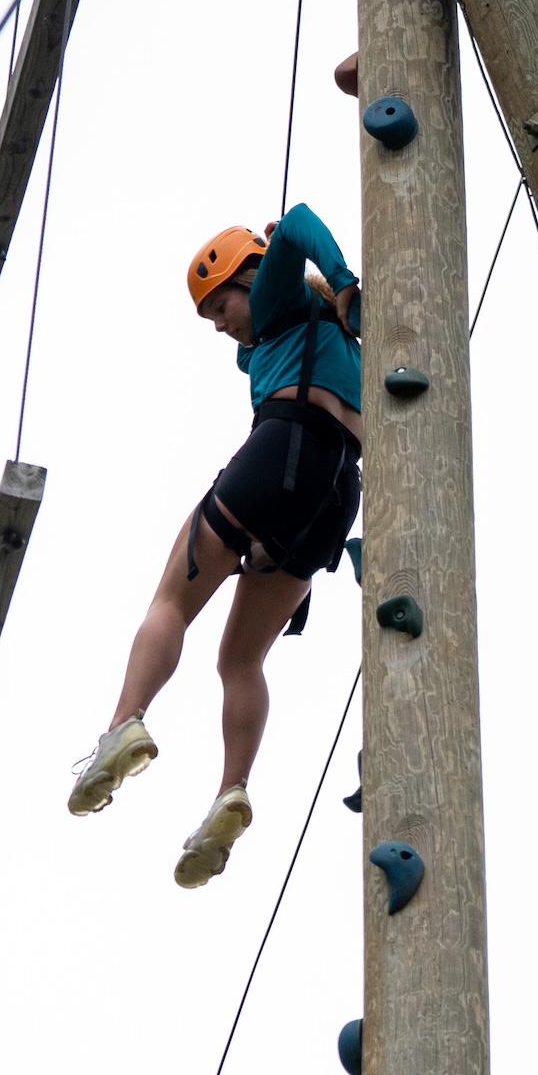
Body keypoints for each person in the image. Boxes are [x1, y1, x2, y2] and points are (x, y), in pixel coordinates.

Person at [67, 207, 365, 887]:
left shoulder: (283, 297)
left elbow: (292, 226)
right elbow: (246, 352)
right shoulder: (343, 341)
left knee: (172, 596)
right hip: (335, 495)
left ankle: (124, 723)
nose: (221, 323)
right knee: (240, 658)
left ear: (252, 278)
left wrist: (341, 277)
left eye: (221, 303)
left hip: (282, 445)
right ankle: (233, 790)